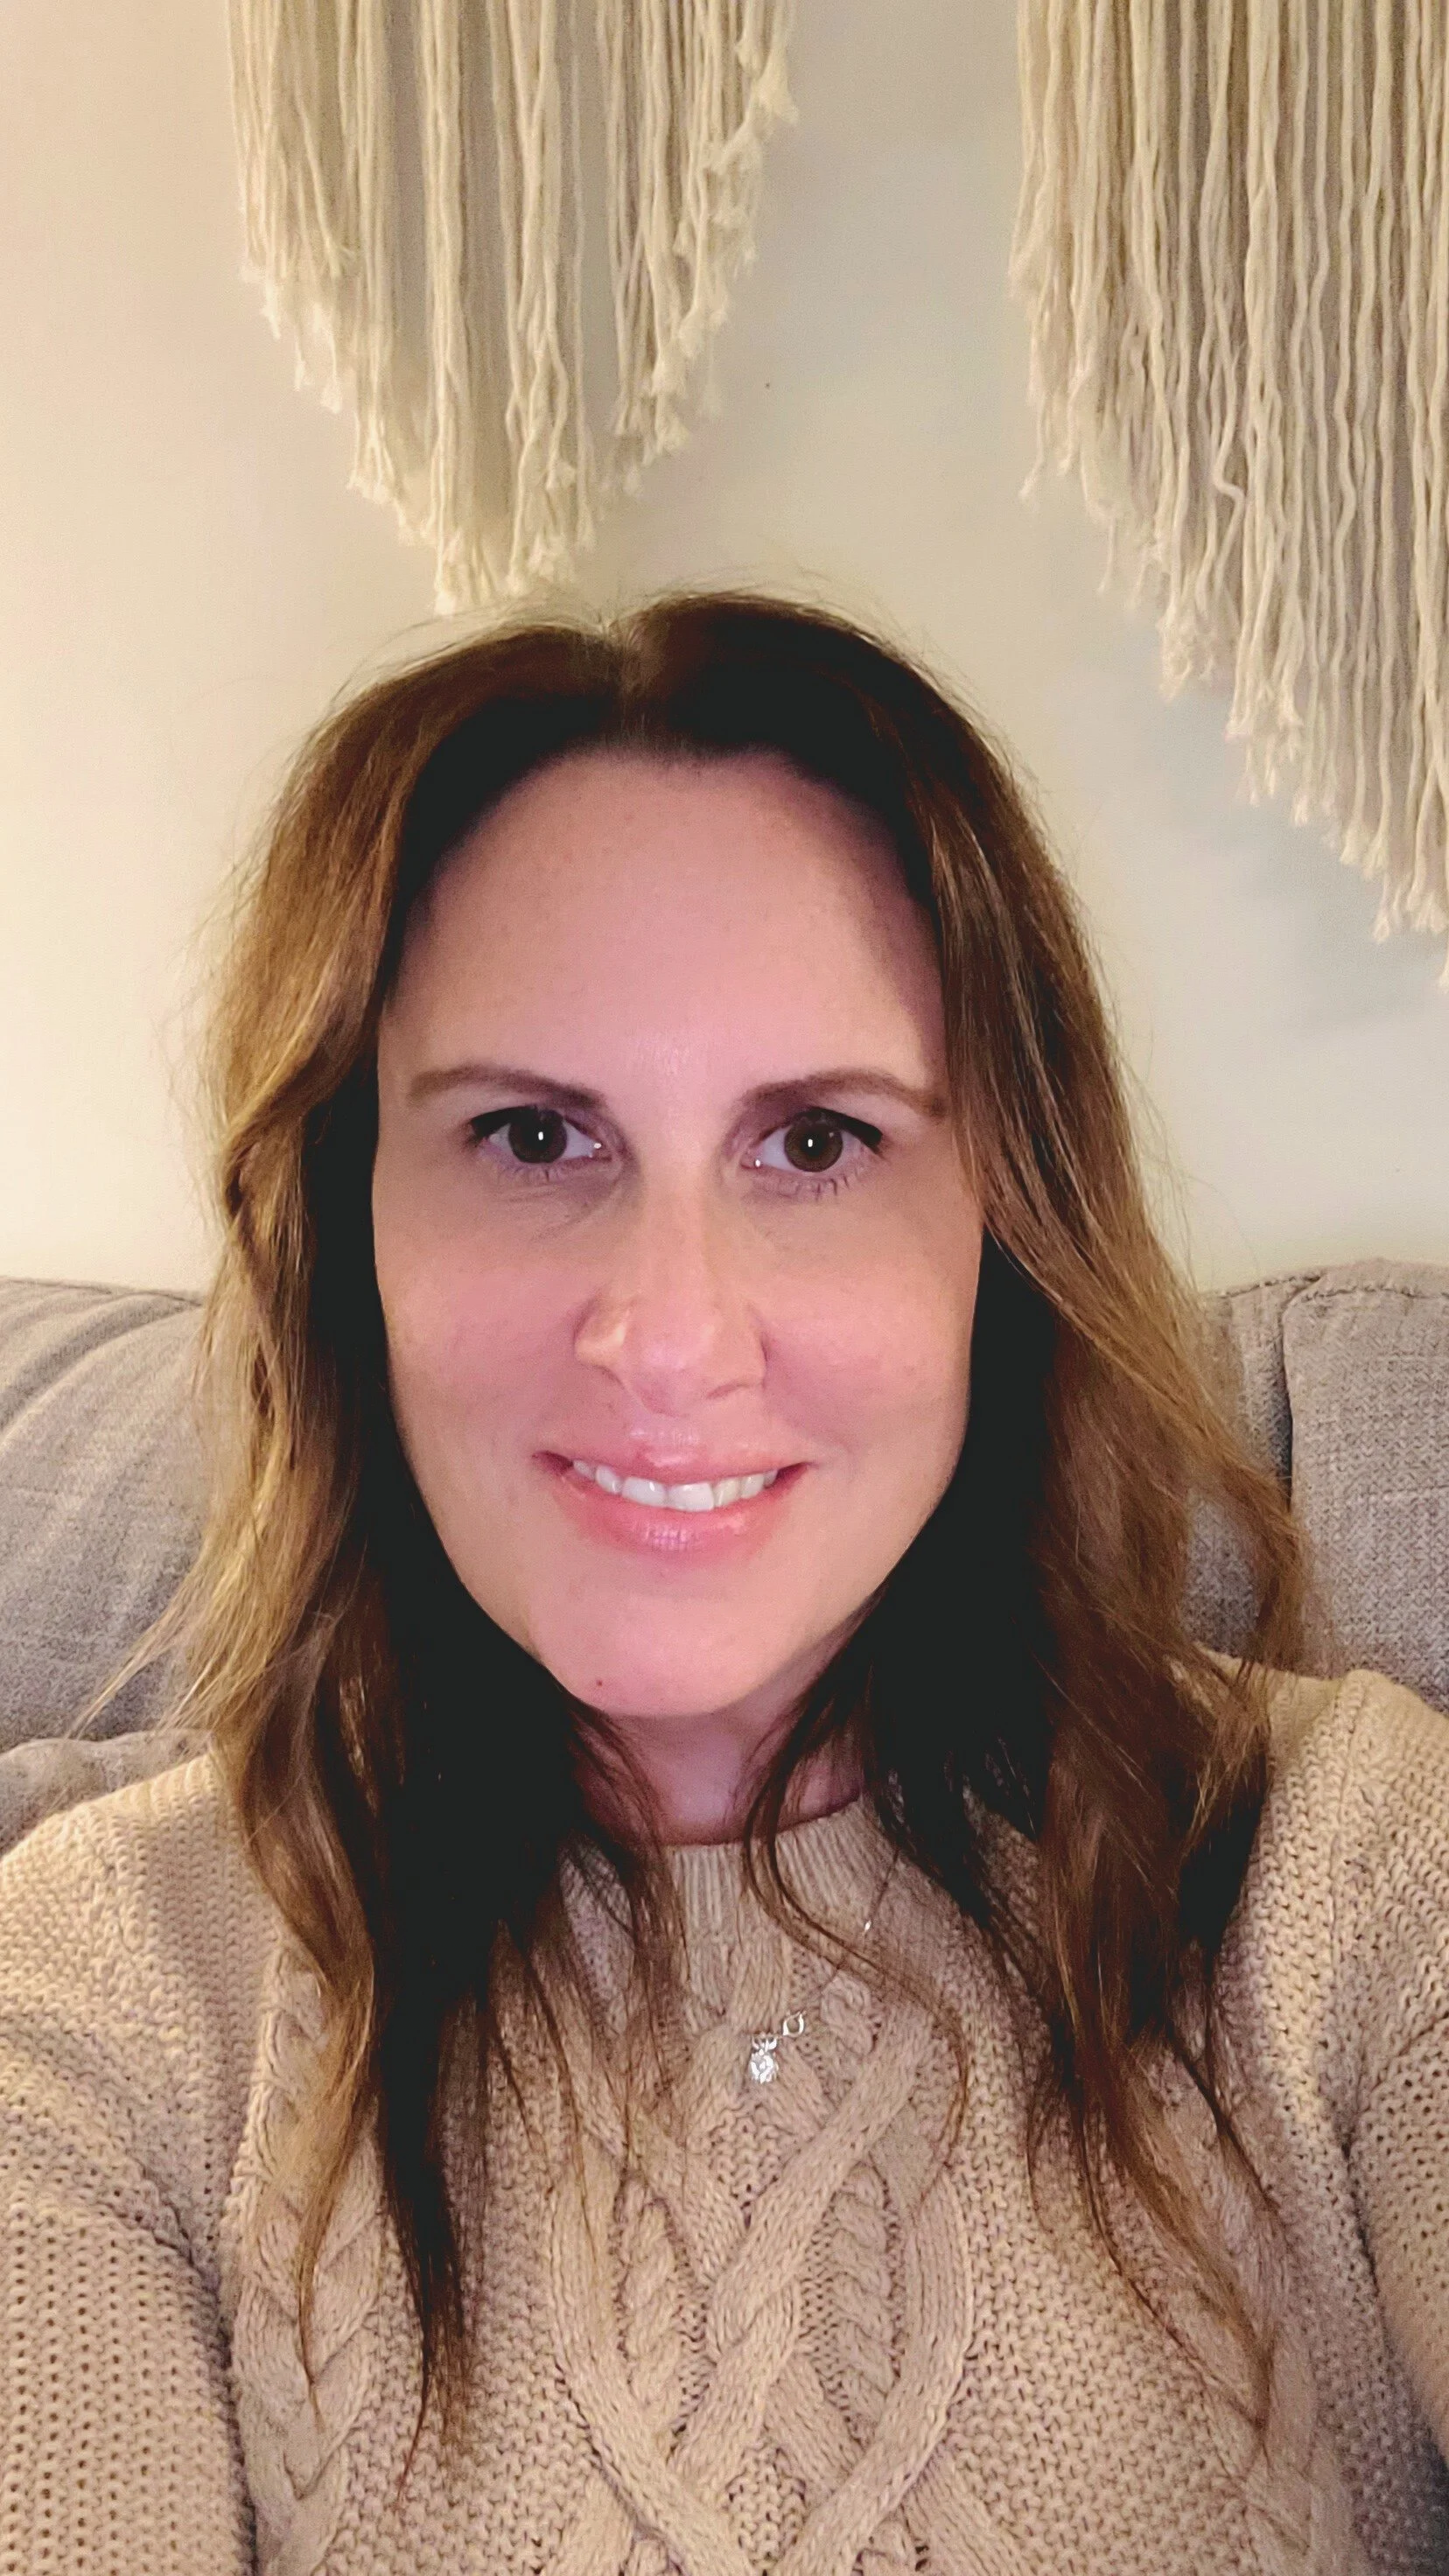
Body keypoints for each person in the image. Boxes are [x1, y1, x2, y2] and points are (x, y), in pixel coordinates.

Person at [0, 588, 1446, 2575]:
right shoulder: (95, 1996)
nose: (669, 1339)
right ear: (351, 1228)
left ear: (1001, 1231)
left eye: (819, 1143)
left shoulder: (1368, 1872)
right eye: (532, 1135)